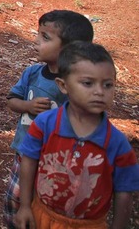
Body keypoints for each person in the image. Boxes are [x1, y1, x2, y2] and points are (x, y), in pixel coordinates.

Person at [13, 42, 139, 229]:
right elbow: (29, 160)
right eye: (88, 83)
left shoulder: (116, 143)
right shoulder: (45, 124)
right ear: (63, 86)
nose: (99, 92)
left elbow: (124, 192)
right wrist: (24, 206)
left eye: (108, 85)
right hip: (42, 217)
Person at [4, 10, 94, 228]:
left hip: (59, 161)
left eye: (45, 37)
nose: (36, 40)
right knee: (15, 199)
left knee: (50, 206)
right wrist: (28, 105)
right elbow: (11, 101)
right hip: (25, 153)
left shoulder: (76, 84)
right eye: (38, 34)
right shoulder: (32, 73)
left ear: (70, 49)